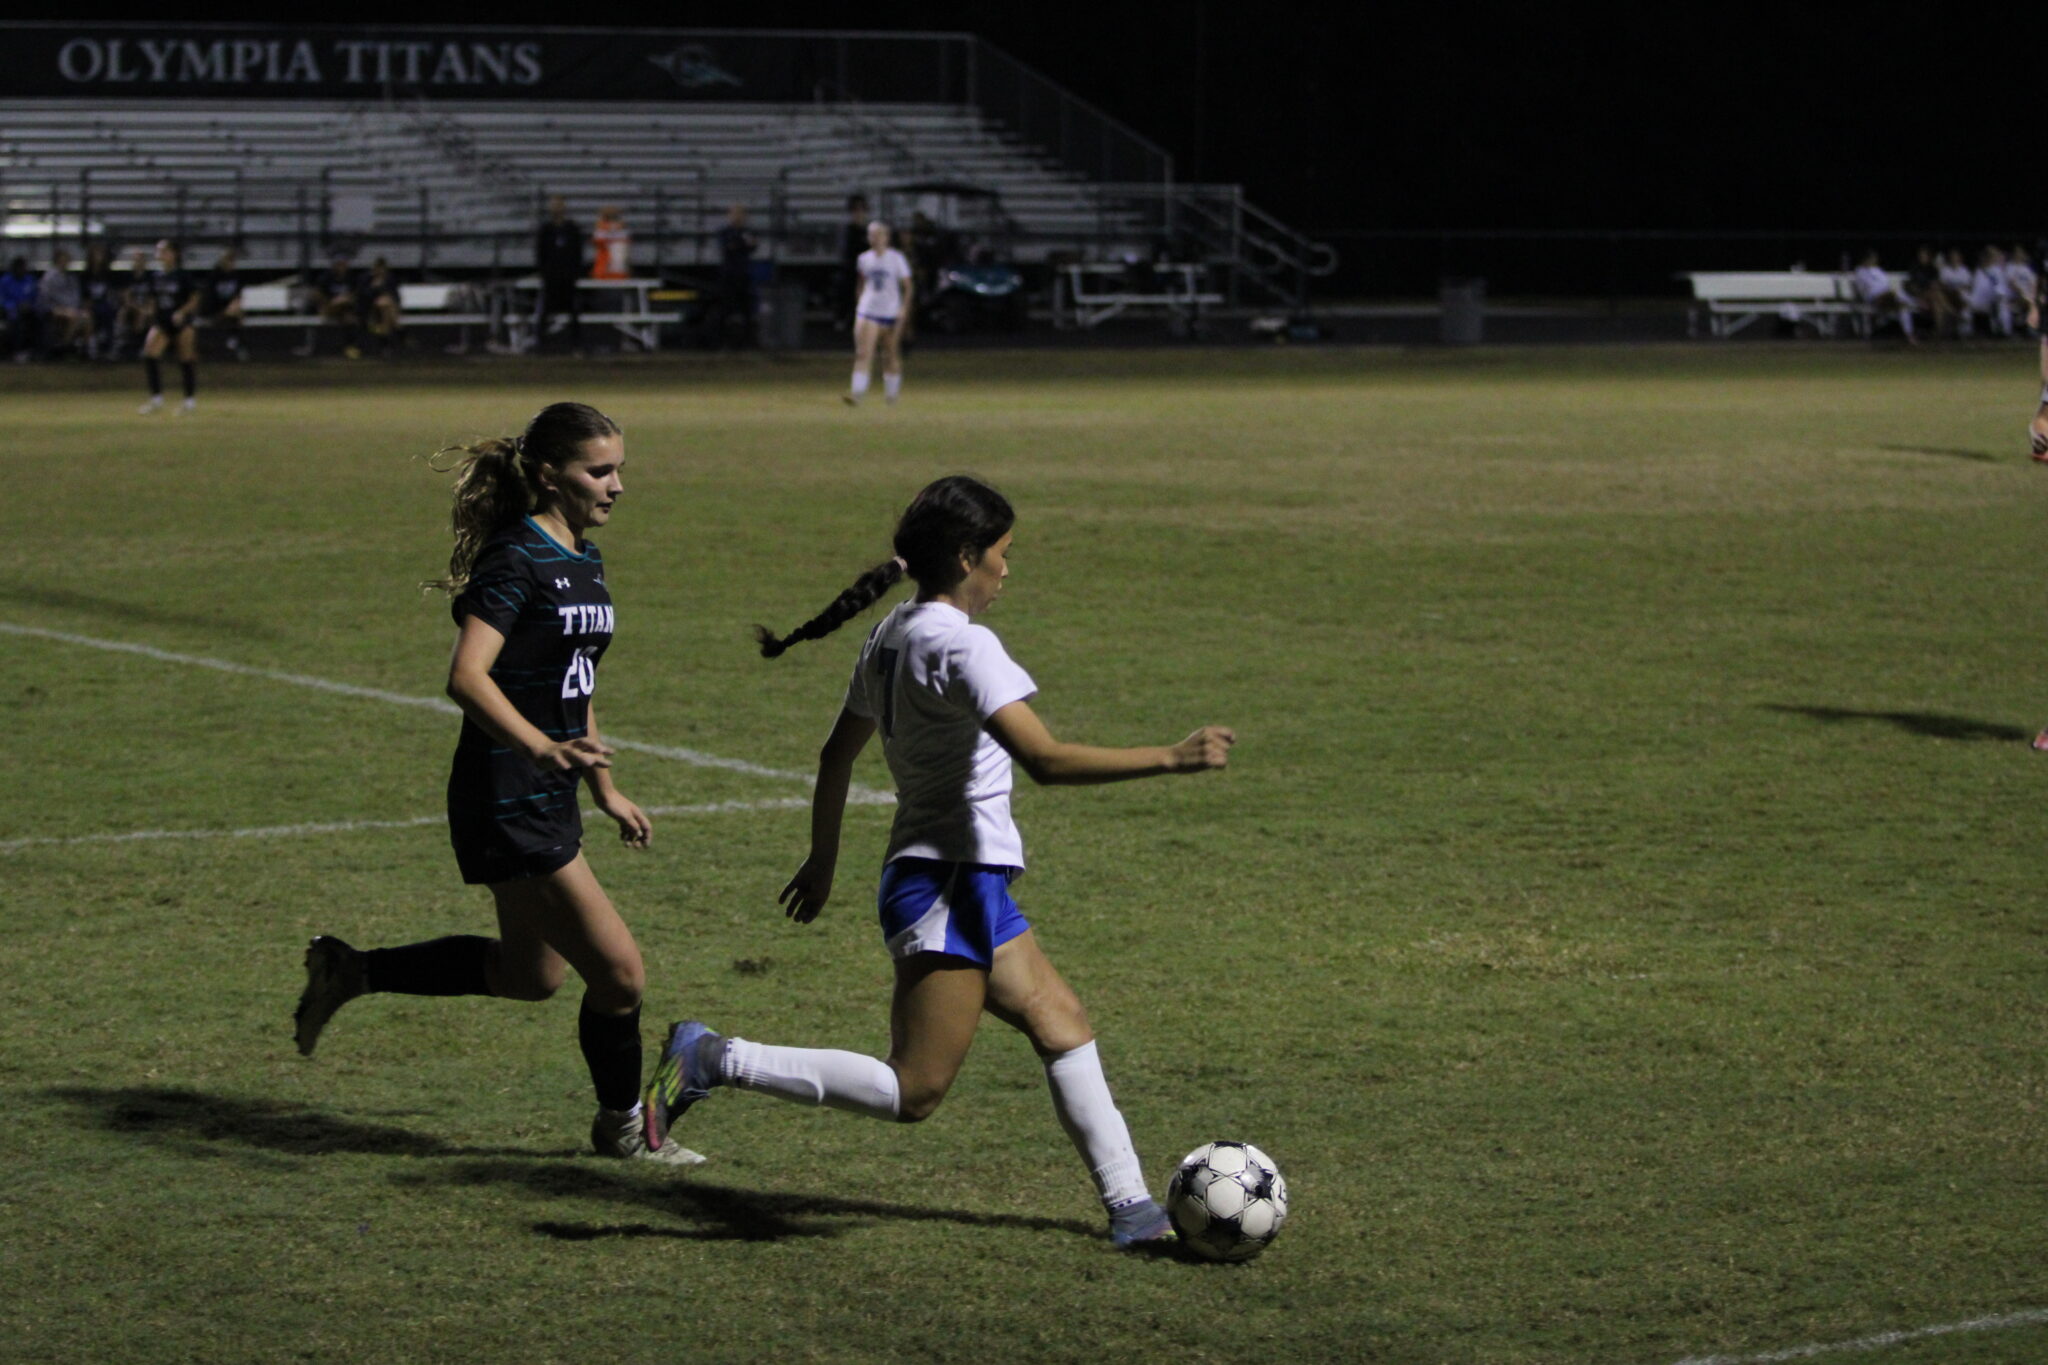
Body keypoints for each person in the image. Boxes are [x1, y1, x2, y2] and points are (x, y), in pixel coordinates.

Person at [640, 474, 1235, 1246]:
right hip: (948, 881)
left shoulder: (891, 633)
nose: (1007, 571)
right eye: (1002, 554)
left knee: (1060, 1019)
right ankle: (717, 1056)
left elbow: (835, 754)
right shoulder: (961, 644)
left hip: (950, 876)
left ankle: (1132, 1207)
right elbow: (1045, 761)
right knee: (915, 1089)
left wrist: (824, 860)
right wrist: (1171, 757)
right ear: (965, 556)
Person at [292, 401, 701, 1165]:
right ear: (550, 474)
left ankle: (352, 969)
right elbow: (466, 676)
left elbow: (571, 684)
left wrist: (605, 786)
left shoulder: (582, 555)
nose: (617, 486)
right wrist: (539, 746)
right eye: (600, 471)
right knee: (619, 974)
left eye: (620, 469)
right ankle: (623, 1127)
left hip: (544, 785)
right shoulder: (516, 558)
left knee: (531, 974)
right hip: (504, 789)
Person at [845, 220, 912, 406]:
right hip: (868, 312)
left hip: (890, 313)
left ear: (886, 237)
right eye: (871, 235)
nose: (874, 238)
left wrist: (904, 308)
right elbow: (861, 284)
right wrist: (860, 303)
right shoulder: (864, 259)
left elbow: (907, 286)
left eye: (877, 234)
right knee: (863, 353)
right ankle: (857, 394)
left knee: (890, 355)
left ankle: (891, 396)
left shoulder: (896, 258)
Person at [137, 240, 200, 414]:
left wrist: (181, 312)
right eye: (158, 251)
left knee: (186, 358)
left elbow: (194, 299)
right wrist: (147, 312)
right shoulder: (155, 276)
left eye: (164, 251)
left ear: (174, 254)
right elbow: (152, 300)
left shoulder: (182, 276)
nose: (160, 255)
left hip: (181, 322)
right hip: (162, 321)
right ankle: (156, 399)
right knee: (150, 353)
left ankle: (189, 401)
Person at [535, 195, 585, 354]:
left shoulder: (572, 229)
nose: (556, 208)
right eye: (554, 205)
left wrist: (575, 271)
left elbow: (578, 252)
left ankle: (576, 345)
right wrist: (544, 271)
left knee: (574, 311)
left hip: (568, 276)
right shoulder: (546, 229)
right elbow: (540, 253)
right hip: (551, 277)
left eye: (559, 205)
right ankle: (541, 345)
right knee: (545, 312)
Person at [713, 204, 757, 349]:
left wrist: (739, 244)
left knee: (747, 311)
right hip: (729, 275)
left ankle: (747, 343)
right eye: (735, 214)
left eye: (740, 214)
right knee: (725, 310)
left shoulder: (747, 231)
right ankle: (722, 342)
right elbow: (729, 246)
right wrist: (741, 244)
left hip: (743, 275)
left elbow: (752, 246)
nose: (738, 217)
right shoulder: (725, 232)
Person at [307, 250, 364, 359]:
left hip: (344, 310)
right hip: (329, 308)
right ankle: (350, 346)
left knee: (350, 319)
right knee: (342, 307)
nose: (341, 267)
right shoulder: (326, 277)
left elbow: (356, 295)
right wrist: (327, 303)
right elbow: (316, 294)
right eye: (339, 264)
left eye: (343, 264)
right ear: (334, 265)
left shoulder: (351, 278)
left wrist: (345, 299)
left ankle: (350, 347)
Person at [1851, 250, 1915, 342]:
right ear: (1866, 259)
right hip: (1874, 298)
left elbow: (1885, 284)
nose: (1874, 261)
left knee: (1902, 306)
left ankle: (1909, 335)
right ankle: (1913, 303)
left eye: (1874, 259)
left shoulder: (1877, 271)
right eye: (1872, 258)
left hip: (1887, 297)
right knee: (1898, 298)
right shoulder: (1860, 272)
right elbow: (1864, 290)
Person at [38, 249, 89, 358]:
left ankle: (84, 349)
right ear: (57, 261)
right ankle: (64, 347)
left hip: (71, 309)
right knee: (73, 317)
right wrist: (60, 309)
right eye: (64, 260)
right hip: (54, 308)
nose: (66, 262)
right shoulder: (49, 277)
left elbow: (76, 298)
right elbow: (45, 298)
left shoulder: (71, 278)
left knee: (87, 316)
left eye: (67, 260)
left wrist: (75, 308)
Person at [834, 194, 870, 332]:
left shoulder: (868, 230)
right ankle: (845, 319)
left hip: (866, 270)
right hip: (852, 270)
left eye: (861, 209)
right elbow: (847, 252)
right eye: (856, 210)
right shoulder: (849, 230)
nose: (859, 213)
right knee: (848, 296)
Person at [201, 247, 245, 361]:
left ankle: (233, 342)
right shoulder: (214, 275)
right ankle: (232, 342)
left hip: (228, 310)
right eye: (227, 260)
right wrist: (225, 309)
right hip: (213, 309)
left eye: (232, 260)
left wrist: (234, 306)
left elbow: (237, 295)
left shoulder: (235, 276)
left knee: (237, 314)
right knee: (233, 315)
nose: (230, 263)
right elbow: (209, 299)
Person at [80, 243, 120, 359]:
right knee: (89, 316)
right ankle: (91, 348)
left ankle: (110, 347)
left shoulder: (108, 274)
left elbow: (112, 293)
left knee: (109, 314)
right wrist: (87, 305)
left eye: (101, 254)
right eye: (96, 254)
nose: (98, 257)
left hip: (106, 305)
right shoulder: (85, 275)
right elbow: (84, 296)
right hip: (90, 306)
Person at [359, 257, 404, 355]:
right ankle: (399, 330)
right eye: (378, 268)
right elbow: (363, 297)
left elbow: (396, 297)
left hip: (386, 309)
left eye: (382, 268)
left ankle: (385, 345)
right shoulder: (367, 279)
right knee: (385, 304)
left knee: (386, 307)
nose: (380, 271)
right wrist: (373, 287)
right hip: (371, 310)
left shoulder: (390, 280)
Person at [0, 256, 39, 361]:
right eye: (20, 268)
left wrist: (30, 305)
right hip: (10, 311)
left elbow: (35, 297)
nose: (22, 270)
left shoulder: (29, 280)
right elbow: (2, 299)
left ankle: (35, 351)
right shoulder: (5, 281)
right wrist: (15, 306)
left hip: (28, 311)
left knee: (39, 318)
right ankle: (15, 351)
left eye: (24, 268)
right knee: (15, 320)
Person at [591, 207, 630, 281]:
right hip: (602, 271)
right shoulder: (600, 230)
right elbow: (598, 239)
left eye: (613, 217)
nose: (611, 221)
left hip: (620, 271)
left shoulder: (623, 232)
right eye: (608, 217)